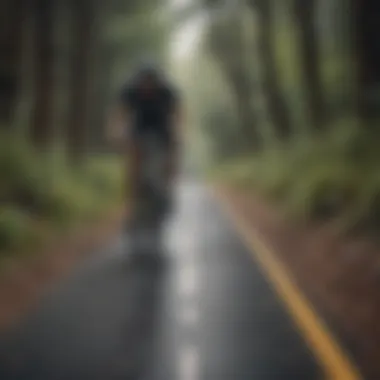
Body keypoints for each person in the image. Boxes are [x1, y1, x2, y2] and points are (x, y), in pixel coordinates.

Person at [107, 61, 183, 215]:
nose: (147, 85)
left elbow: (179, 114)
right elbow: (118, 113)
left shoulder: (167, 91)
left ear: (157, 81)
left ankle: (168, 184)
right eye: (144, 81)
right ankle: (131, 196)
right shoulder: (130, 91)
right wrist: (115, 131)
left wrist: (179, 132)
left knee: (171, 151)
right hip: (139, 128)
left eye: (151, 81)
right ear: (138, 81)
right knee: (133, 157)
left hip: (162, 128)